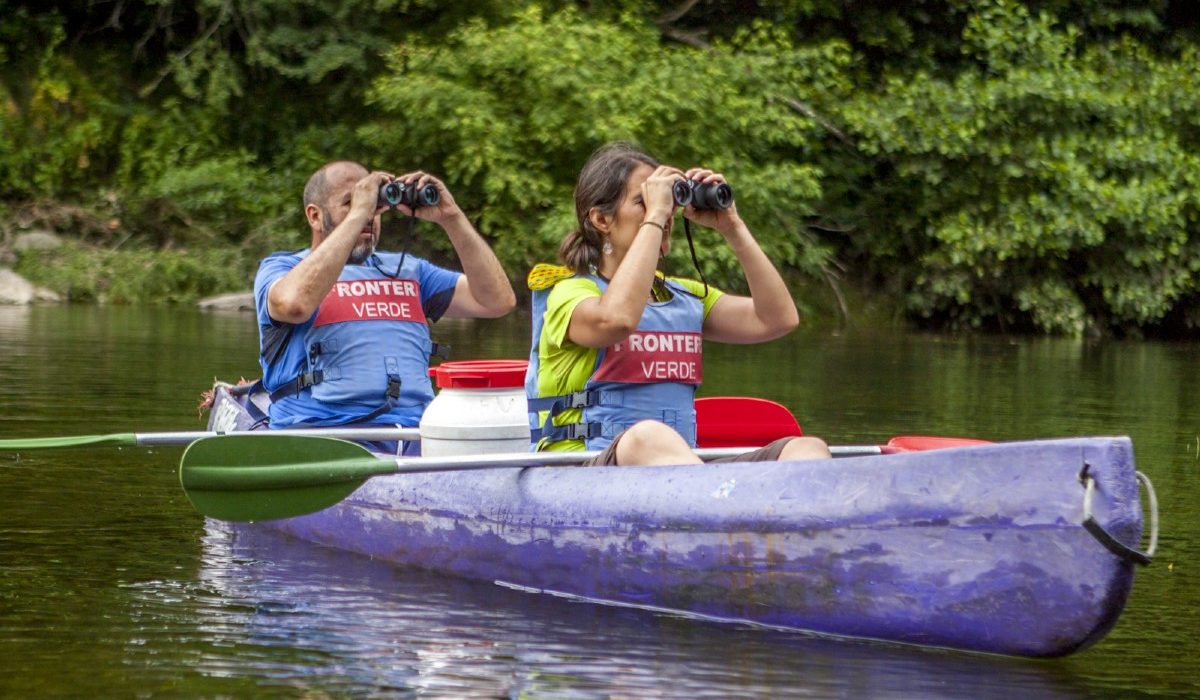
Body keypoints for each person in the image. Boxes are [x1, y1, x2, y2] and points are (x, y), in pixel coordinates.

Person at [526, 142, 830, 466]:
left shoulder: (683, 297)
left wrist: (732, 227)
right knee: (647, 437)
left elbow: (777, 319)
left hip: (681, 473)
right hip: (581, 471)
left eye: (667, 202)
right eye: (644, 201)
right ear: (602, 219)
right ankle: (718, 507)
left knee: (807, 449)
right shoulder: (568, 294)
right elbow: (617, 320)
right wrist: (655, 216)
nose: (667, 212)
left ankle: (758, 510)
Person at [254, 160, 515, 452]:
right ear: (315, 217)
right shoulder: (283, 268)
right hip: (324, 435)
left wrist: (451, 217)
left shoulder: (410, 271)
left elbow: (497, 301)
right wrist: (359, 214)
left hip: (417, 436)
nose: (368, 216)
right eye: (349, 203)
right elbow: (293, 304)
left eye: (372, 206)